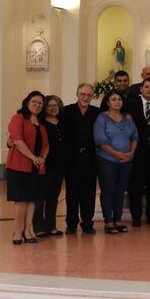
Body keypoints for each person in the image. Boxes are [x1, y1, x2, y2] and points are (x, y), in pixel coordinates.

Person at [6, 91, 49, 244]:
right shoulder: (18, 118)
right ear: (27, 102)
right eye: (34, 102)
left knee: (32, 200)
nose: (37, 105)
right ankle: (17, 232)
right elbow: (17, 141)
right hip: (19, 165)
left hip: (36, 167)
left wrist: (42, 158)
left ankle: (28, 230)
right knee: (21, 200)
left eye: (40, 103)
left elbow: (46, 145)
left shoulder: (41, 123)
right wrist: (34, 158)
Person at [94, 89, 138, 234]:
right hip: (107, 160)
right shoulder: (102, 118)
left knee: (120, 191)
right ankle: (108, 221)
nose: (117, 102)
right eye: (113, 99)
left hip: (126, 161)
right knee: (108, 190)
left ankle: (118, 220)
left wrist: (130, 153)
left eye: (119, 99)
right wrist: (116, 154)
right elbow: (100, 140)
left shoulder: (127, 118)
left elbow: (134, 137)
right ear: (107, 102)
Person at [62, 83, 100, 234]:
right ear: (77, 95)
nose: (86, 97)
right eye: (83, 94)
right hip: (72, 157)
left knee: (89, 192)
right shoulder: (66, 111)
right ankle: (71, 223)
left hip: (91, 158)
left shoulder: (96, 112)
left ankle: (87, 223)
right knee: (72, 192)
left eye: (89, 95)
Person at [126, 78, 150, 227]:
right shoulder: (130, 106)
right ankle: (136, 216)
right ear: (141, 89)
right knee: (136, 185)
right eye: (146, 87)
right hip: (137, 151)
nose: (149, 89)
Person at [34, 95, 66, 237]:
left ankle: (51, 226)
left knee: (53, 197)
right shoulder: (40, 123)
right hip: (44, 166)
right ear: (44, 108)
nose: (53, 108)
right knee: (40, 198)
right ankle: (38, 227)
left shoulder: (62, 122)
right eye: (50, 105)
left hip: (59, 166)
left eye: (56, 105)